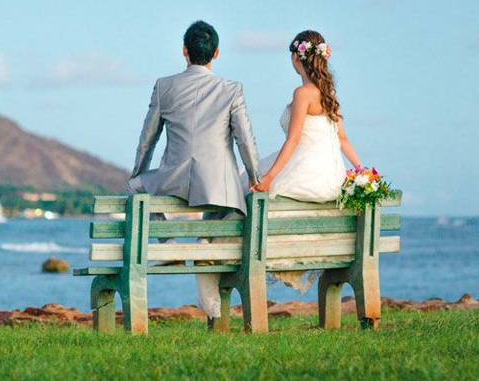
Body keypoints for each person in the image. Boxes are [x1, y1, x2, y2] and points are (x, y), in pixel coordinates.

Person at [128, 20, 260, 320]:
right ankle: (208, 246)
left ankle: (168, 245)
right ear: (216, 53)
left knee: (133, 187)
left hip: (173, 179)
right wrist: (255, 177)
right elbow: (245, 140)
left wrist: (138, 173)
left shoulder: (165, 86)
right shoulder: (232, 89)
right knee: (227, 204)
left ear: (184, 51)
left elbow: (147, 138)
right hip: (219, 186)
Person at [251, 29, 363, 291]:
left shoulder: (303, 94)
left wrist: (269, 178)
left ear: (296, 58)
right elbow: (343, 140)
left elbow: (293, 141)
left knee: (251, 177)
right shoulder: (329, 93)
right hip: (331, 178)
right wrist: (361, 172)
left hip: (306, 174)